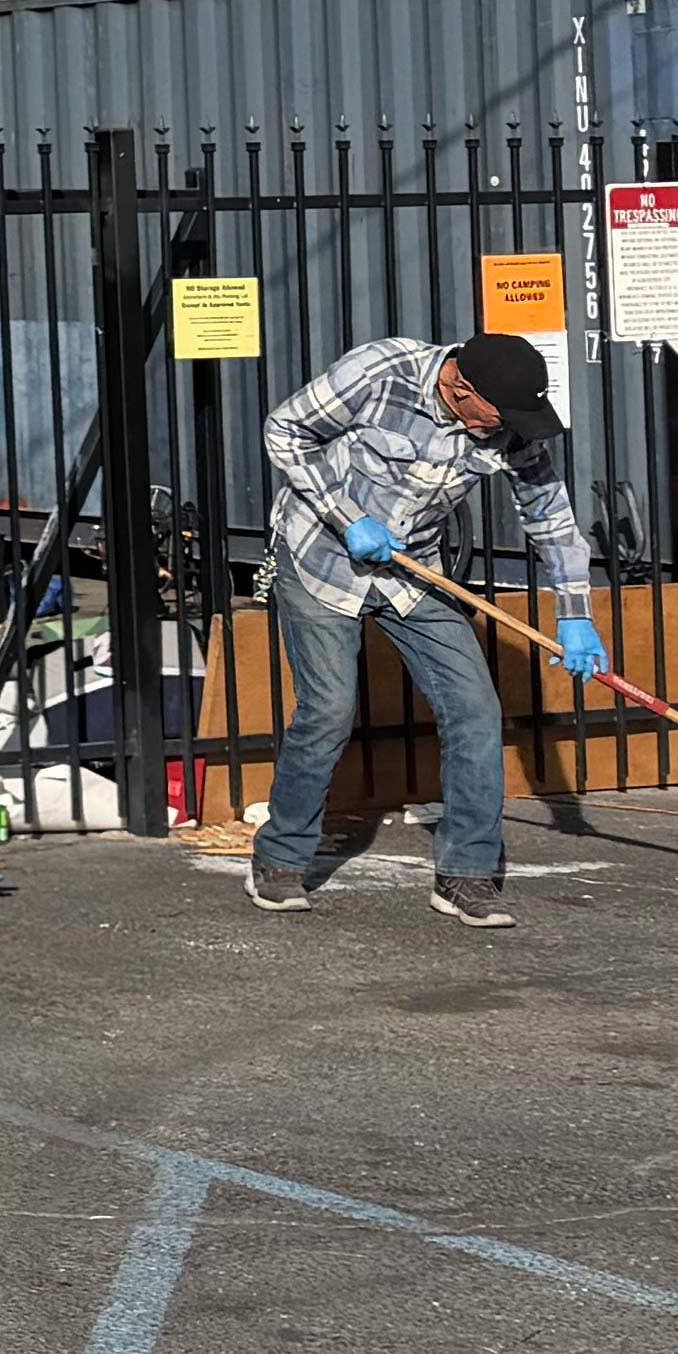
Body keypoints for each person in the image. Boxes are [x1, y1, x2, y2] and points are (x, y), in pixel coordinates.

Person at [252, 329, 597, 929]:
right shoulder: (384, 370)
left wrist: (575, 615)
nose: (507, 428)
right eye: (499, 415)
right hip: (321, 559)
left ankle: (466, 874)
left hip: (414, 572)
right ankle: (280, 858)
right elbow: (284, 430)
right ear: (459, 388)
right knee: (329, 709)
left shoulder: (509, 427)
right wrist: (347, 517)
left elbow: (550, 516)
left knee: (474, 709)